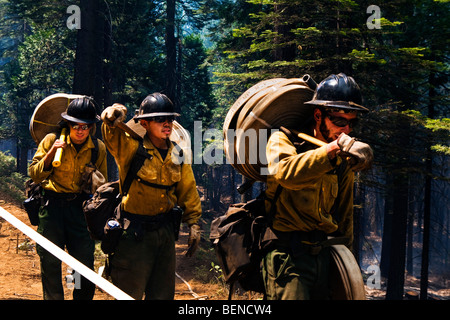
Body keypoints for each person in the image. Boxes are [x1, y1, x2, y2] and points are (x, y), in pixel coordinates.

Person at [262, 73, 373, 300]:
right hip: (287, 256)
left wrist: (347, 265)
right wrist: (330, 151)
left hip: (323, 257)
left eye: (352, 123)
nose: (346, 130)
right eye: (340, 121)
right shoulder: (283, 141)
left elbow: (344, 217)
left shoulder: (342, 160)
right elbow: (285, 173)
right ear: (318, 115)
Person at [101, 92, 202, 300]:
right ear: (144, 123)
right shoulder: (131, 148)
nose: (167, 124)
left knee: (163, 296)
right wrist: (114, 114)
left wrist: (193, 223)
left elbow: (188, 190)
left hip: (164, 235)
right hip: (134, 235)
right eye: (160, 119)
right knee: (129, 295)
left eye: (170, 119)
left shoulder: (179, 154)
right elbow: (112, 135)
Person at [29, 96, 108, 300]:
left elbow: (103, 186)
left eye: (84, 126)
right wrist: (51, 153)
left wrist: (94, 181)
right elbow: (35, 174)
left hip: (80, 212)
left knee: (81, 264)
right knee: (50, 261)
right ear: (68, 124)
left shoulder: (97, 148)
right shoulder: (50, 141)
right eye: (75, 126)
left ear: (91, 127)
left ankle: (77, 295)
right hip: (52, 208)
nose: (79, 131)